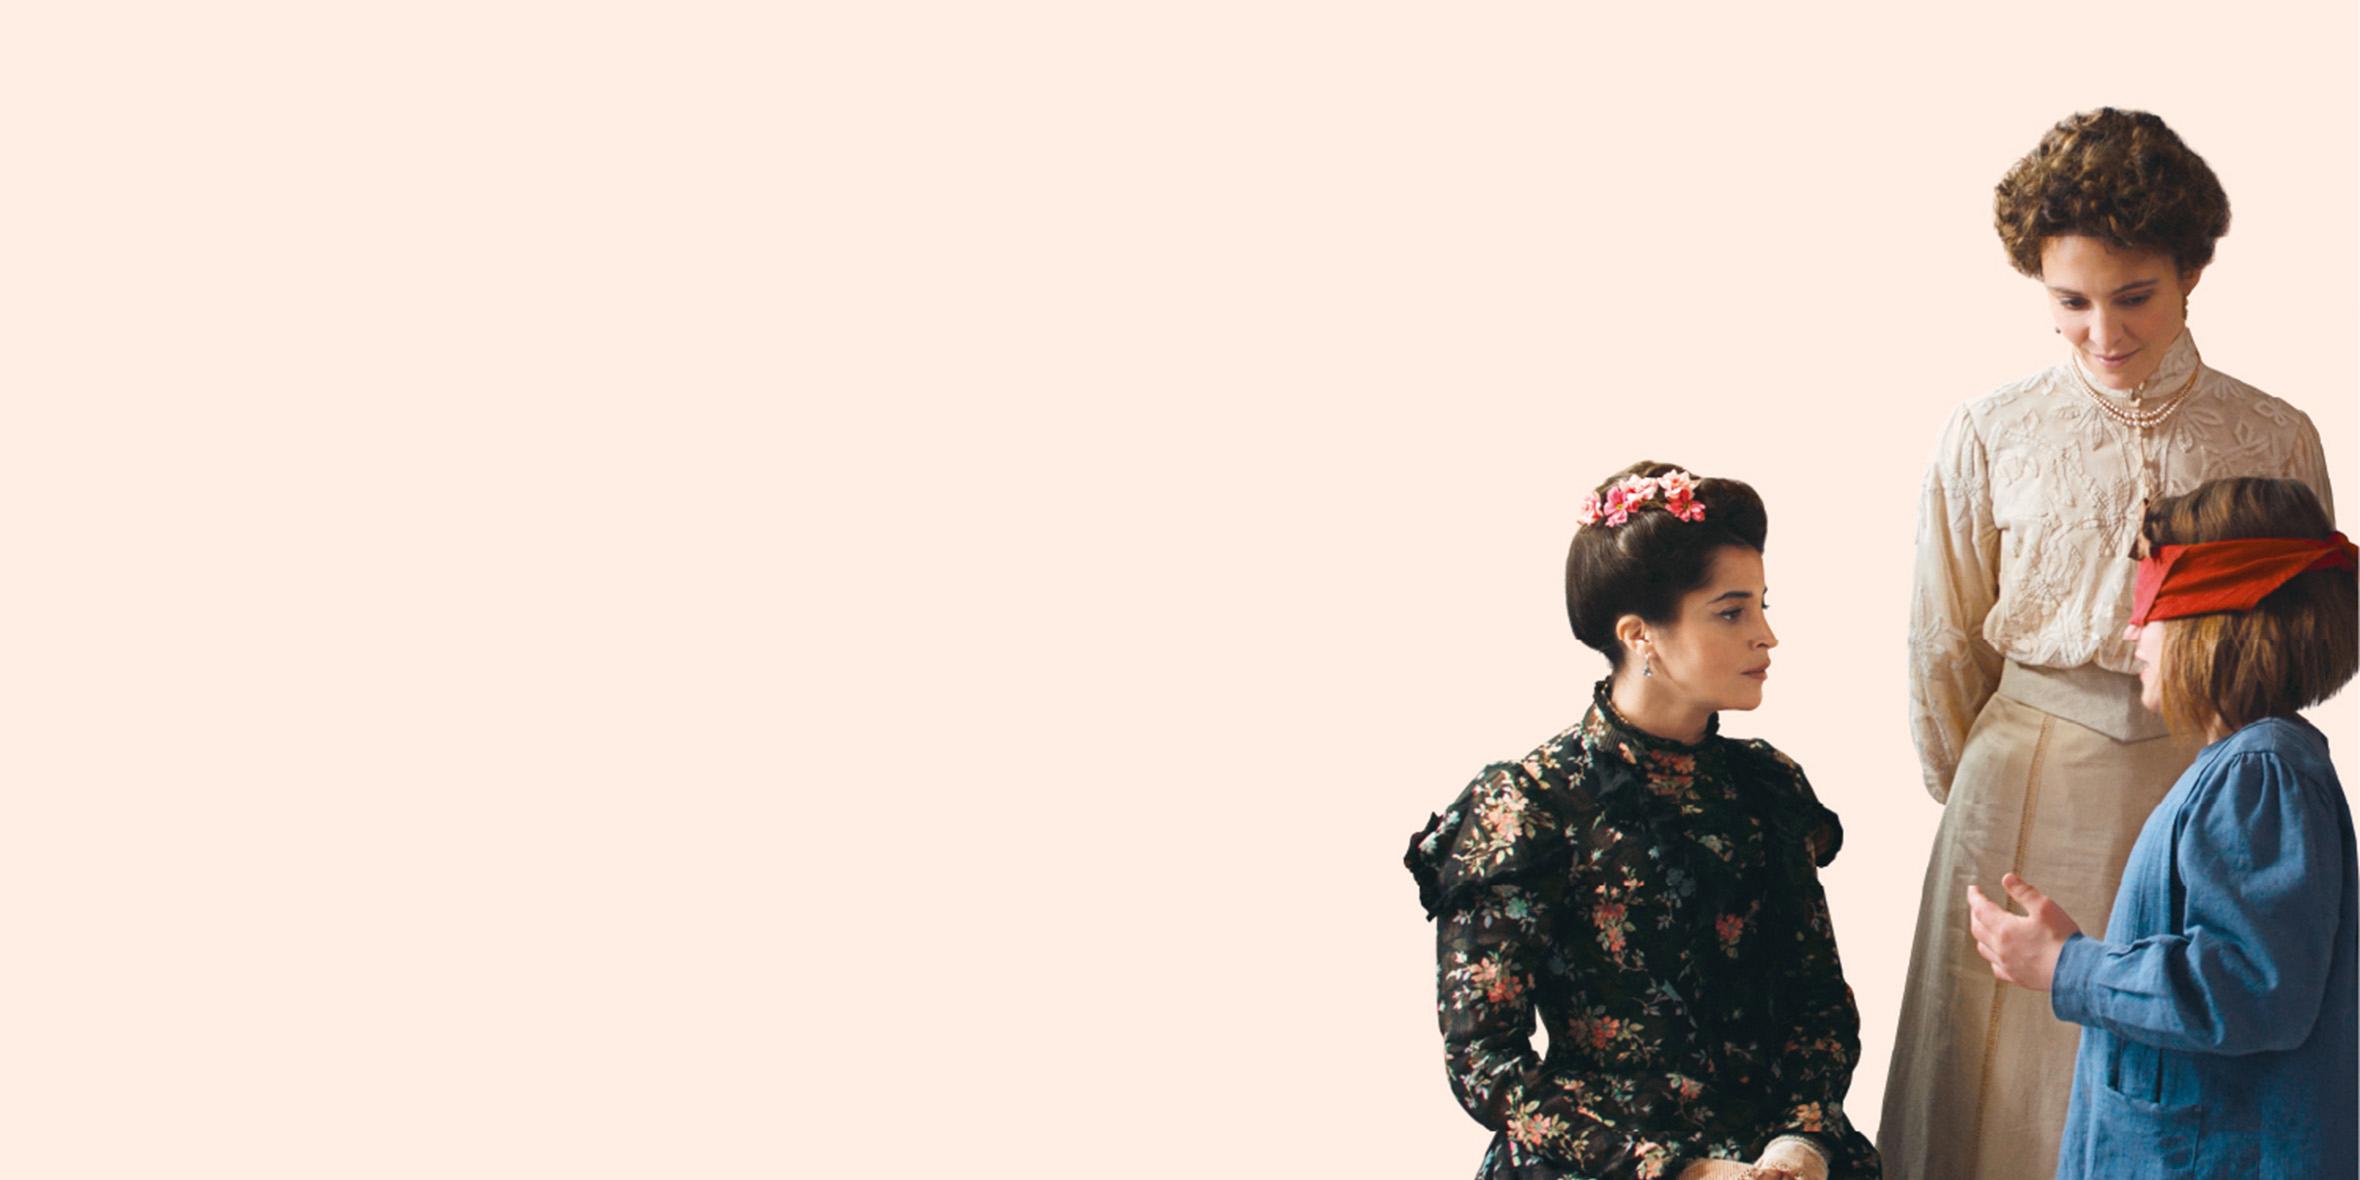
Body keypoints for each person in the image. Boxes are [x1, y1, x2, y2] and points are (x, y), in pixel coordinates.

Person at [1879, 109, 2335, 1180]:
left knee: (2187, 1066)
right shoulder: (1988, 430)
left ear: (2190, 273)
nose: (2103, 332)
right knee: (1999, 1094)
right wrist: (1975, 788)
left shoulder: (2274, 435)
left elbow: (2296, 628)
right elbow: (1941, 643)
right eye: (2070, 303)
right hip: (2023, 780)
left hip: (2206, 778)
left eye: (2134, 296)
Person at [1406, 463, 1879, 1180]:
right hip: (1600, 1163)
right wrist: (1678, 1171)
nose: (1767, 636)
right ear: (1640, 635)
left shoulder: (1768, 785)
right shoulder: (1528, 806)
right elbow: (1485, 1061)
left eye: (1762, 606)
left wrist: (1801, 1141)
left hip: (1775, 1160)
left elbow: (1818, 1006)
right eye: (1732, 613)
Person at [1967, 477, 2357, 1179]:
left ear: (2216, 623)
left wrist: (2067, 966)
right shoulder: (2242, 768)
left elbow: (2253, 991)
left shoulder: (2261, 774)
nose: (2131, 630)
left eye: (2151, 606)